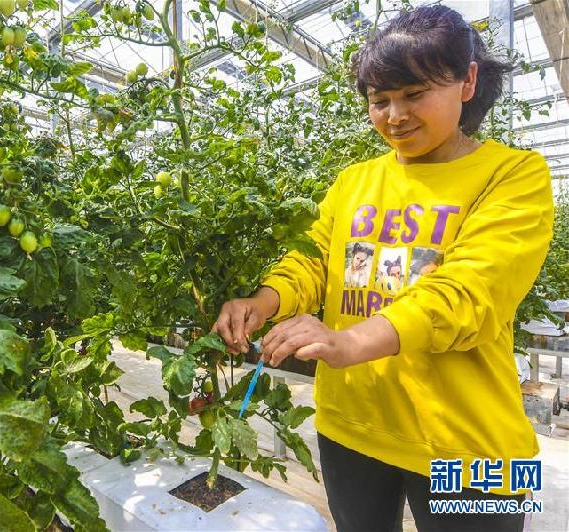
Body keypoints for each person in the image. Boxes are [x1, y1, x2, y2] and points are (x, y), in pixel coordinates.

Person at [212, 6, 553, 532]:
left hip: (471, 448)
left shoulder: (515, 174)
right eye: (380, 101)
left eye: (415, 94)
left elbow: (470, 291)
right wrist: (264, 301)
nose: (395, 115)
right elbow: (313, 261)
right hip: (352, 426)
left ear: (468, 81)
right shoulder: (354, 181)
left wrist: (349, 343)